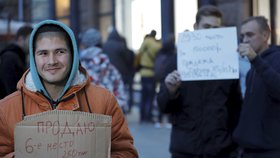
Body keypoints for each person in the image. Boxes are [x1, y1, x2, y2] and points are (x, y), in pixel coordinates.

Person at [0, 20, 138, 158]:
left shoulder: (104, 101)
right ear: (33, 57)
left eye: (60, 51)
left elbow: (127, 152)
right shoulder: (7, 108)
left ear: (73, 55)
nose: (52, 61)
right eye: (43, 53)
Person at [157, 5, 243, 158]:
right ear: (196, 27)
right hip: (185, 148)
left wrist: (234, 144)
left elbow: (235, 106)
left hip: (221, 149)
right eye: (206, 26)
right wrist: (171, 91)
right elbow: (163, 106)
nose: (210, 32)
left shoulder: (228, 64)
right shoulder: (177, 61)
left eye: (215, 28)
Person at [233, 16, 280, 158]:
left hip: (270, 151)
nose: (245, 40)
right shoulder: (252, 68)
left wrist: (255, 60)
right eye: (242, 36)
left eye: (250, 35)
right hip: (249, 150)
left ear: (265, 35)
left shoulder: (277, 58)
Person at [79, 28, 128, 113]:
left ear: (84, 44)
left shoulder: (78, 67)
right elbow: (121, 94)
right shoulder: (109, 66)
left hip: (86, 120)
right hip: (108, 117)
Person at [103, 28, 135, 113]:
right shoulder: (120, 46)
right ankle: (120, 111)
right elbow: (128, 59)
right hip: (121, 73)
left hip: (107, 73)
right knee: (120, 92)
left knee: (109, 92)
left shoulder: (105, 45)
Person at [0, 25, 33, 99]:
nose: (32, 44)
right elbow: (11, 89)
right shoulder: (10, 57)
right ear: (21, 39)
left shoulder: (18, 57)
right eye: (30, 40)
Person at [138, 30, 162, 123]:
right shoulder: (157, 45)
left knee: (143, 96)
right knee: (150, 97)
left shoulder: (145, 42)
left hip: (143, 72)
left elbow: (139, 53)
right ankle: (149, 116)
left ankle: (142, 116)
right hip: (152, 73)